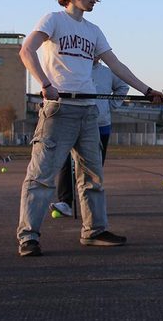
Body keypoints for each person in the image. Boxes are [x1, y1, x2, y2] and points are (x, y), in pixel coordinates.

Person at [17, 0, 163, 257]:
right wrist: (45, 85)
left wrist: (147, 90)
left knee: (92, 176)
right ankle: (28, 237)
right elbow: (27, 51)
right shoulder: (53, 20)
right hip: (59, 111)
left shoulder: (94, 31)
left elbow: (116, 65)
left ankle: (95, 231)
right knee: (41, 177)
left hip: (88, 113)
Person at [50, 59, 130, 218]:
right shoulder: (75, 69)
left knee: (94, 169)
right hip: (75, 122)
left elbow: (123, 87)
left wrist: (109, 106)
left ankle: (91, 207)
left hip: (101, 125)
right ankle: (65, 201)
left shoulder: (108, 72)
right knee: (68, 163)